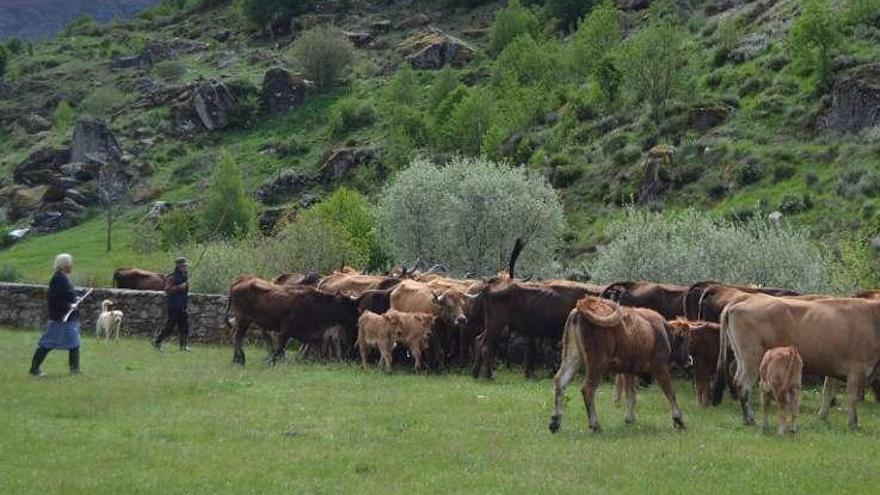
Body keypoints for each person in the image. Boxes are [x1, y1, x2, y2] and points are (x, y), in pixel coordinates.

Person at [29, 254, 84, 376]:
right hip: (61, 318)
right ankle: (34, 369)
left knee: (74, 342)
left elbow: (66, 295)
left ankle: (75, 370)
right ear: (64, 265)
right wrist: (69, 305)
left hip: (68, 318)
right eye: (70, 264)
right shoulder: (58, 279)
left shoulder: (63, 277)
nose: (72, 266)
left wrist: (75, 299)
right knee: (47, 343)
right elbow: (55, 299)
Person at [153, 257, 191, 352]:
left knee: (184, 326)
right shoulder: (172, 277)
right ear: (178, 266)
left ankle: (183, 346)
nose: (186, 267)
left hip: (182, 306)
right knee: (169, 327)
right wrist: (180, 287)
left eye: (186, 266)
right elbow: (168, 290)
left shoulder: (184, 276)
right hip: (174, 306)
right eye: (184, 266)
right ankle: (157, 341)